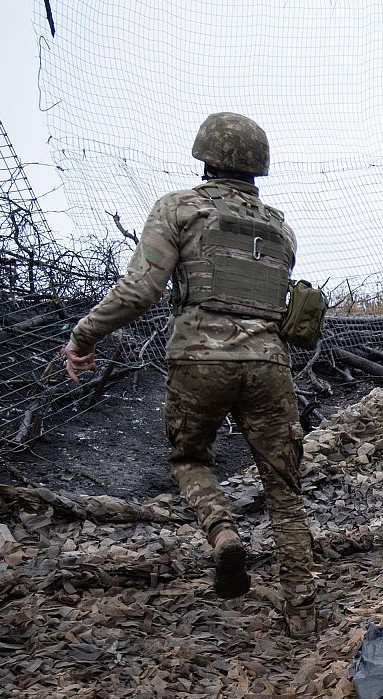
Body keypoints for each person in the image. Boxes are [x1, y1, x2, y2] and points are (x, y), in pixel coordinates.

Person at [59, 112, 317, 636]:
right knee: (284, 488)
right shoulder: (281, 228)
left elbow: (139, 291)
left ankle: (223, 535)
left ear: (205, 156)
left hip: (198, 362)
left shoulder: (178, 208)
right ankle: (303, 616)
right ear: (258, 166)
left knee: (190, 458)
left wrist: (84, 336)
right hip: (269, 365)